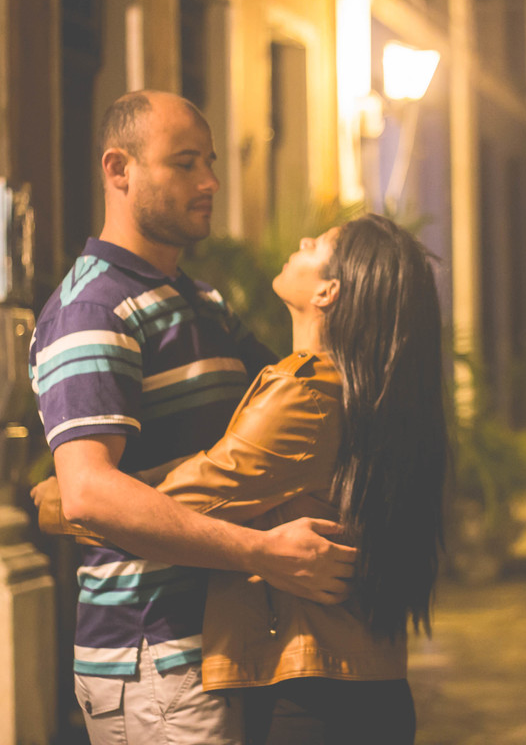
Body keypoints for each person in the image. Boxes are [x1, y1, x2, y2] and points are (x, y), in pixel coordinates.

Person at [36, 213, 449, 743]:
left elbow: (172, 507)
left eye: (315, 243)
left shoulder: (305, 395)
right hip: (362, 684)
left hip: (315, 699)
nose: (300, 240)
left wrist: (66, 498)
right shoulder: (357, 392)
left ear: (328, 291)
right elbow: (225, 467)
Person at [28, 89, 356, 744]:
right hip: (155, 658)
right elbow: (90, 491)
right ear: (118, 170)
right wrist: (262, 551)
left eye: (209, 161)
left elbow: (277, 421)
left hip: (220, 646)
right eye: (184, 163)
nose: (209, 181)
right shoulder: (95, 310)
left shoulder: (198, 299)